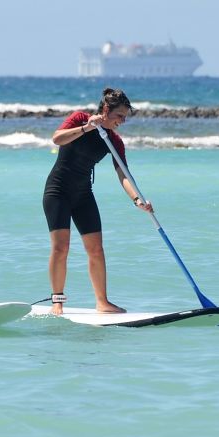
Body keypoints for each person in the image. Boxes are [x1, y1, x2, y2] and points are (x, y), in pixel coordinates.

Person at [42, 87, 154, 315]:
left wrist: (137, 200)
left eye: (124, 117)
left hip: (83, 195)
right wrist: (86, 128)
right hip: (58, 191)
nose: (122, 121)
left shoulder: (113, 140)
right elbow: (57, 138)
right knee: (61, 248)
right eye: (119, 116)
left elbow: (123, 174)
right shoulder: (80, 119)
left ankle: (102, 302)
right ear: (105, 109)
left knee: (96, 250)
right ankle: (57, 302)